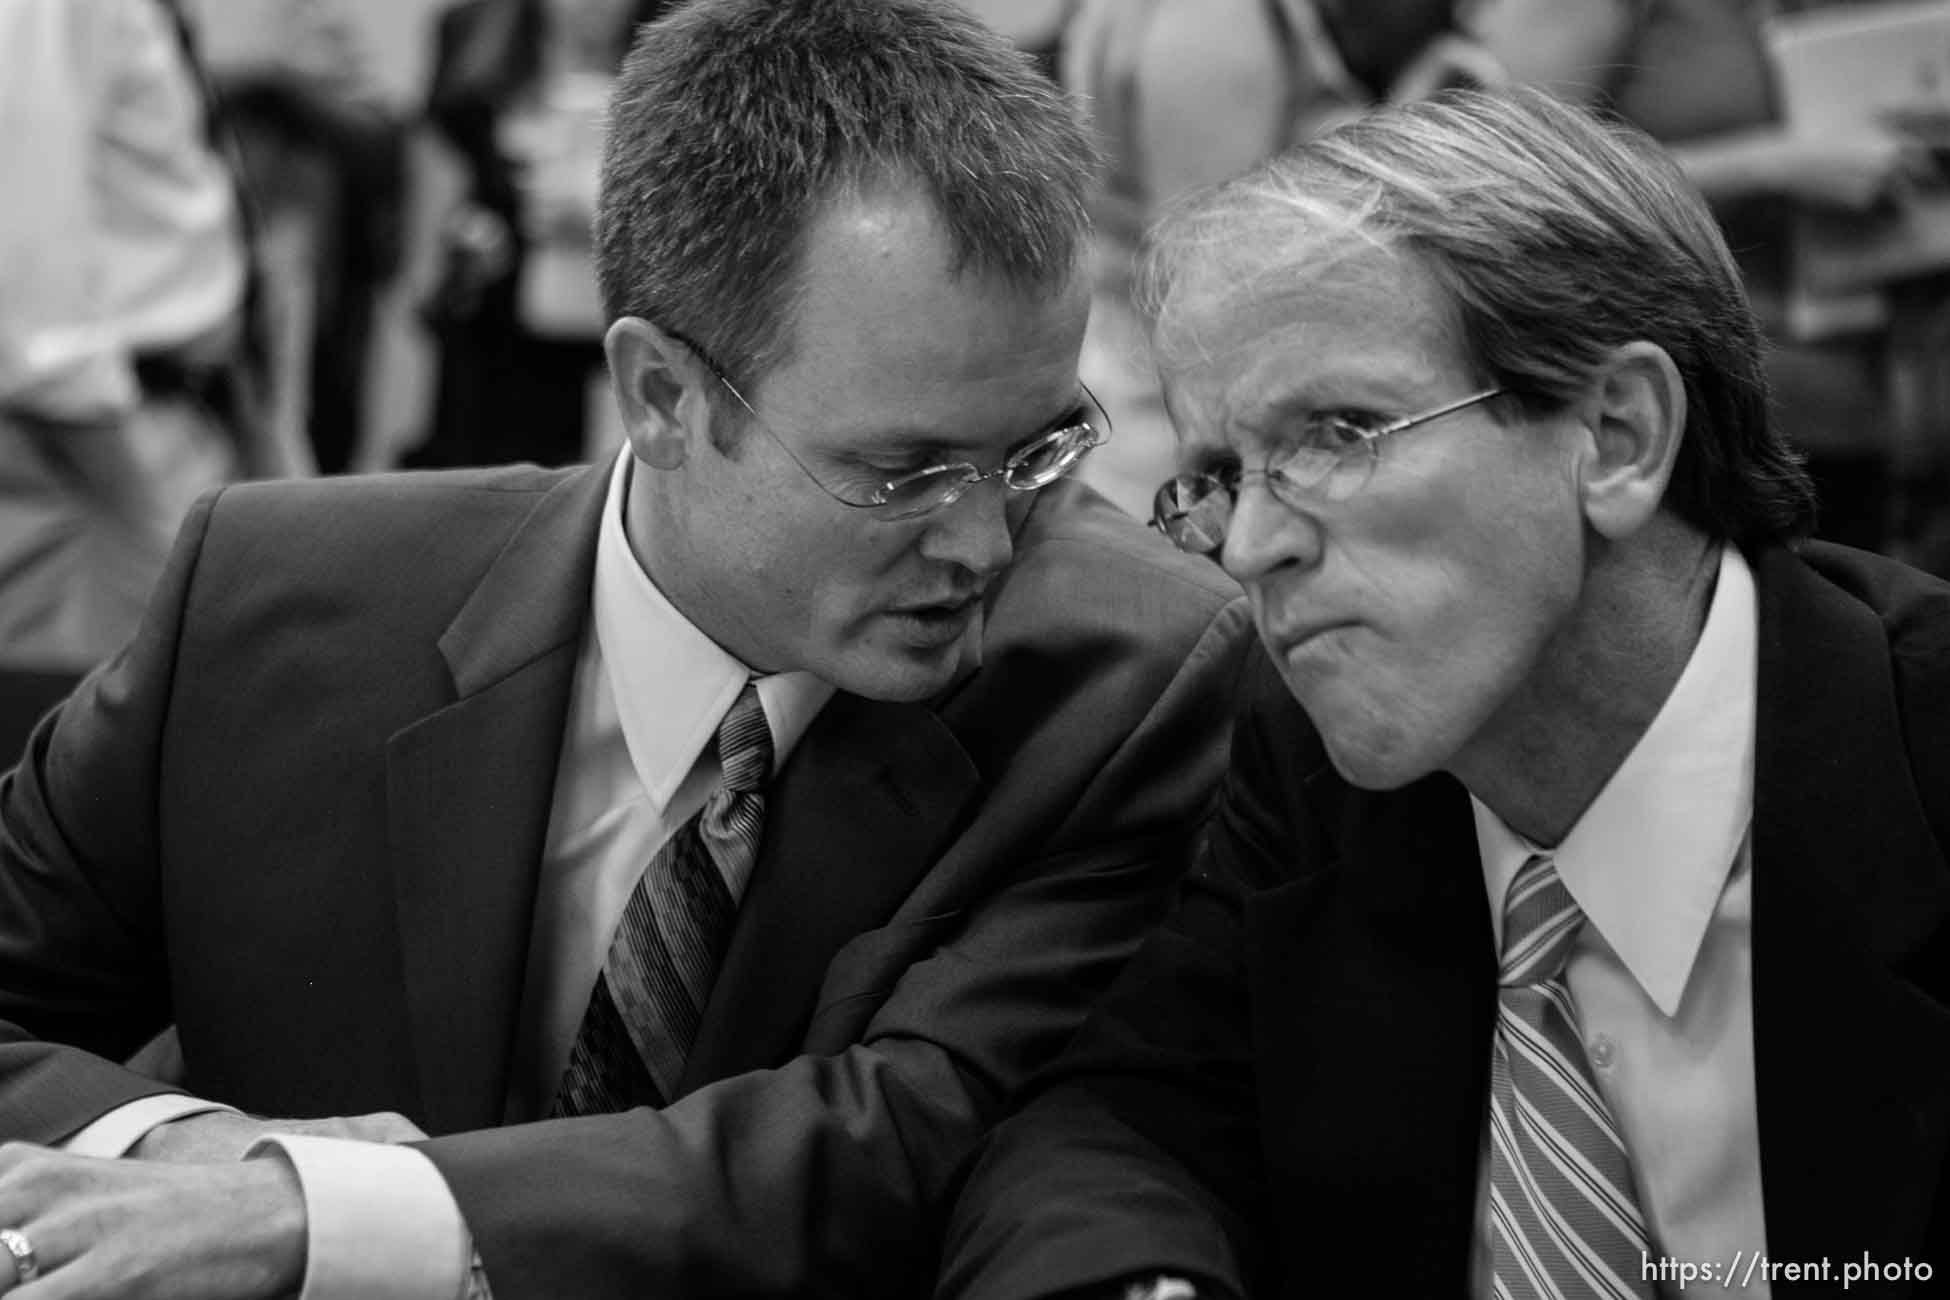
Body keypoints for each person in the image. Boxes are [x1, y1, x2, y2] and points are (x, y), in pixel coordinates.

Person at [0, 1, 1251, 1297]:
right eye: (908, 470)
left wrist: (317, 1219)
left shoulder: (1129, 676)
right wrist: (195, 1152)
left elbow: (896, 1141)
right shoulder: (274, 603)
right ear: (660, 396)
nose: (986, 544)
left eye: (1039, 448)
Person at [940, 88, 1950, 1300]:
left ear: (1617, 435)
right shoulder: (1308, 753)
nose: (1251, 543)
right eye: (1217, 473)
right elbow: (1122, 1116)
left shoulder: (1922, 749)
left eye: (1337, 431)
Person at [0, 0, 264, 671]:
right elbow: (28, 275)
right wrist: (136, 501)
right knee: (87, 746)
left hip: (159, 421)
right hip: (90, 453)